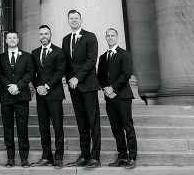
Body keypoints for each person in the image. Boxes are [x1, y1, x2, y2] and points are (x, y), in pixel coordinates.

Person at [61, 9, 101, 169]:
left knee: (93, 122)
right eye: (71, 18)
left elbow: (91, 60)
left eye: (76, 18)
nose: (73, 20)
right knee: (81, 123)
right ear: (68, 21)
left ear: (81, 20)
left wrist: (77, 78)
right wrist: (69, 80)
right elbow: (65, 62)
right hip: (74, 88)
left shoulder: (90, 37)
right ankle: (84, 155)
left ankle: (95, 157)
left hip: (88, 85)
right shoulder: (65, 39)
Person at [97, 28, 137, 169]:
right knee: (116, 129)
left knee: (128, 127)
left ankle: (132, 157)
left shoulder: (124, 54)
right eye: (107, 36)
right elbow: (100, 76)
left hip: (123, 96)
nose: (110, 38)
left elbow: (126, 74)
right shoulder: (102, 57)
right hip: (110, 98)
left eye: (112, 35)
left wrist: (112, 88)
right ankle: (122, 157)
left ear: (117, 37)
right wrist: (106, 89)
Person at [0, 31, 34, 168]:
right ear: (6, 40)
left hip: (21, 96)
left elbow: (30, 73)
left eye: (14, 38)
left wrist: (18, 86)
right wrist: (9, 87)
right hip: (6, 97)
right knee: (8, 129)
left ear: (18, 40)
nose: (12, 40)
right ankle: (10, 158)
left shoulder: (27, 56)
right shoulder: (0, 57)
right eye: (9, 38)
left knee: (22, 128)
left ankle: (24, 158)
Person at [31, 24, 66, 168]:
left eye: (46, 33)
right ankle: (46, 156)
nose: (43, 36)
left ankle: (58, 157)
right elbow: (32, 73)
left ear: (50, 35)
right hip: (41, 95)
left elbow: (60, 72)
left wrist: (46, 86)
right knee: (43, 127)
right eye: (41, 34)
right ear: (39, 36)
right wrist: (38, 87)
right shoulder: (34, 52)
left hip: (55, 94)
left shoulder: (59, 51)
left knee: (58, 126)